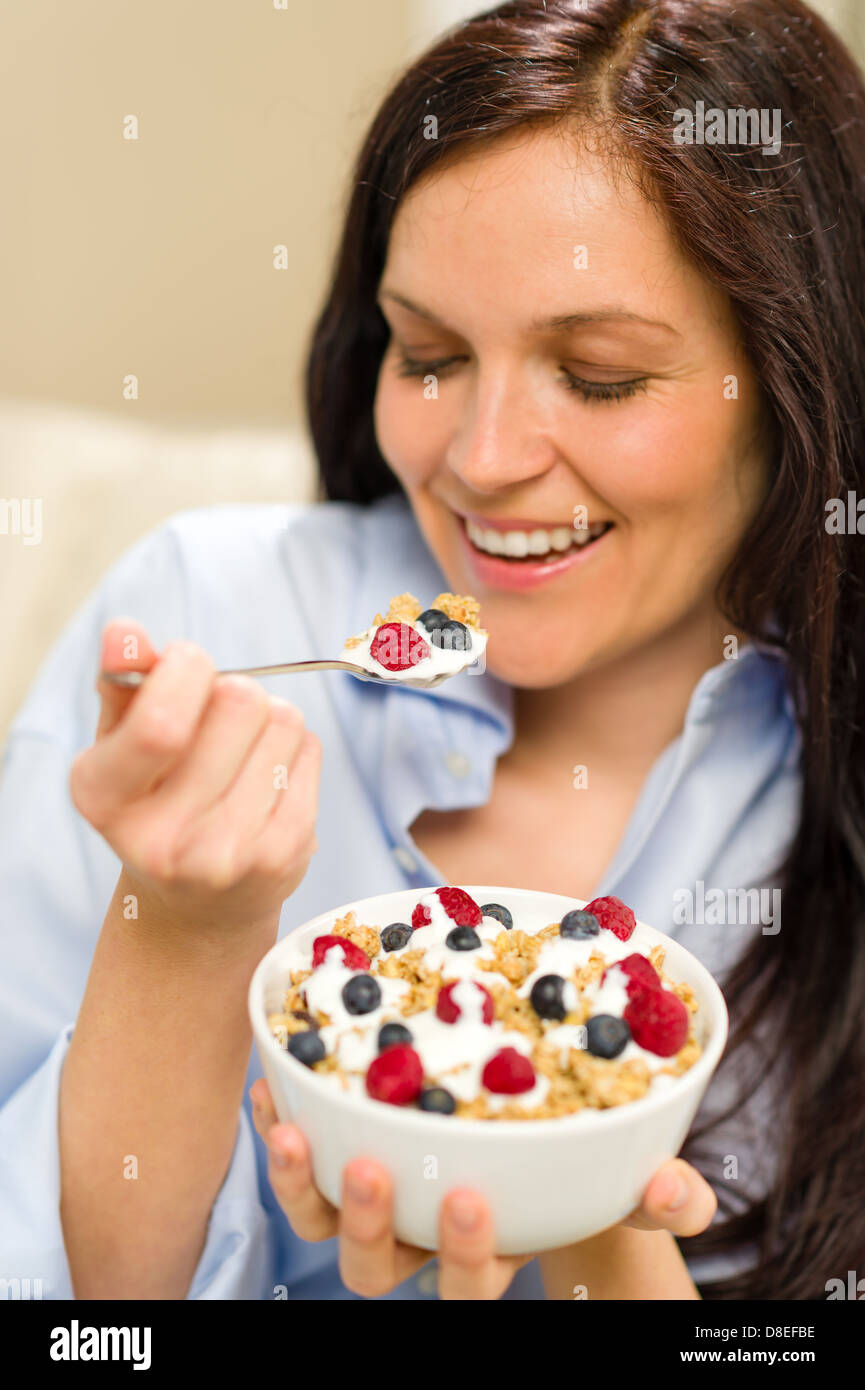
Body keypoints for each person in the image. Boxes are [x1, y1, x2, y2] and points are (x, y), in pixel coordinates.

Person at [2, 0, 864, 1301]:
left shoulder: (821, 767)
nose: (479, 461)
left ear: (792, 388)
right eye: (430, 355)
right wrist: (179, 939)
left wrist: (592, 1210)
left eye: (600, 375)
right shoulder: (210, 616)